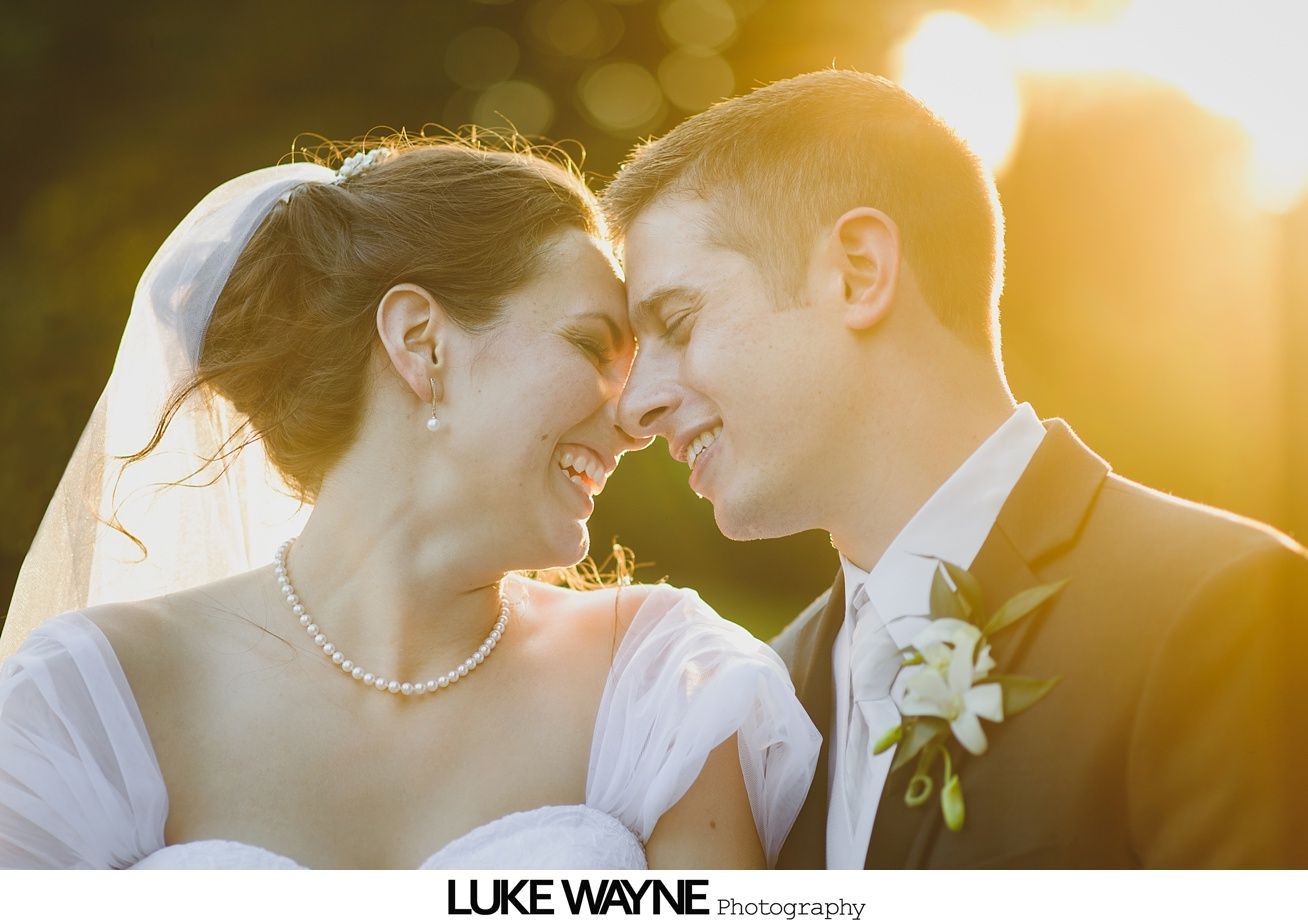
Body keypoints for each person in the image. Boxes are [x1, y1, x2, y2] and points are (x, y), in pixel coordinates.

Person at [0, 138, 819, 869]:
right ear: (422, 344)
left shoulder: (660, 685)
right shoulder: (95, 697)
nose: (633, 415)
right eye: (588, 346)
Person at [604, 69, 1308, 869]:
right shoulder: (762, 702)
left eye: (680, 321)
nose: (635, 406)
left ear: (859, 271)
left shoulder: (1220, 609)